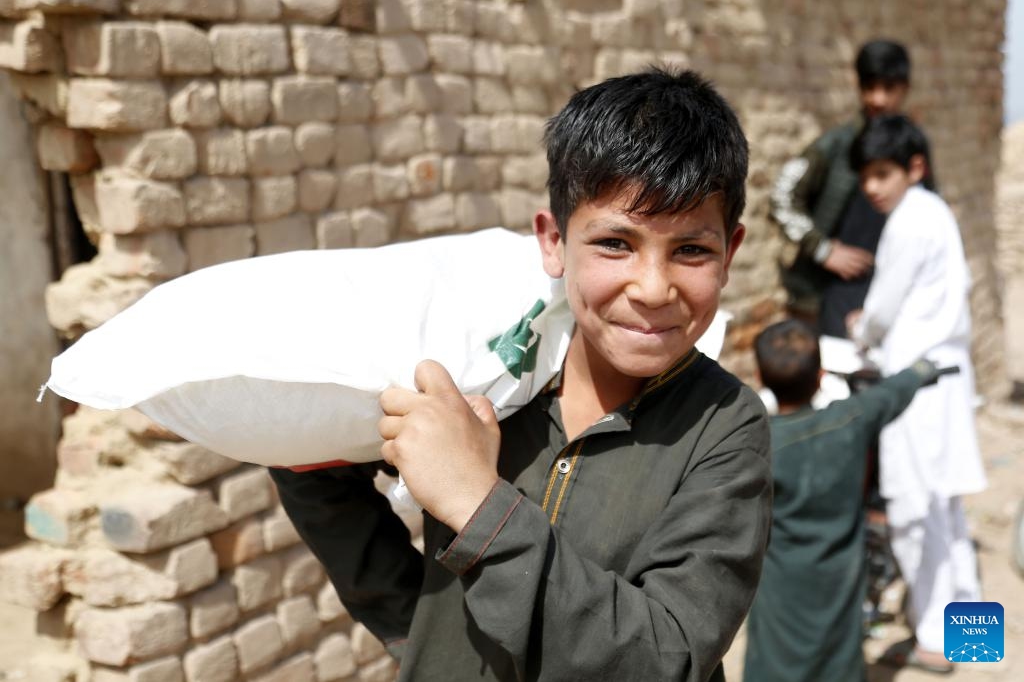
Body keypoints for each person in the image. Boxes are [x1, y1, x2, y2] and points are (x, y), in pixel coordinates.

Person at [269, 67, 772, 681]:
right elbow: (313, 467)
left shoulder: (723, 427)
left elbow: (665, 659)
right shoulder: (489, 378)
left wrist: (478, 505)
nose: (652, 287)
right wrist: (417, 631)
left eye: (691, 250)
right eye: (615, 243)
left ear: (731, 252)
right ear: (553, 241)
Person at [848, 114, 987, 675]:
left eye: (883, 173)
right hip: (950, 374)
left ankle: (933, 638)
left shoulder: (909, 221)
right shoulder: (937, 212)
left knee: (912, 510)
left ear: (914, 167)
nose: (872, 187)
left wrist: (862, 328)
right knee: (947, 510)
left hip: (918, 384)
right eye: (865, 176)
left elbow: (881, 308)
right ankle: (973, 632)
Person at [743, 319, 944, 682]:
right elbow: (892, 393)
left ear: (759, 375)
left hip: (780, 580)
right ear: (820, 376)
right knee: (839, 650)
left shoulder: (758, 444)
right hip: (840, 573)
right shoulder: (851, 420)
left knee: (776, 653)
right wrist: (922, 371)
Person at [771, 39, 935, 336]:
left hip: (887, 303)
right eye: (869, 88)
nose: (878, 99)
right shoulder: (835, 144)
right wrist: (821, 249)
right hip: (825, 300)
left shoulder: (914, 148)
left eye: (888, 89)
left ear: (904, 88)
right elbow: (782, 197)